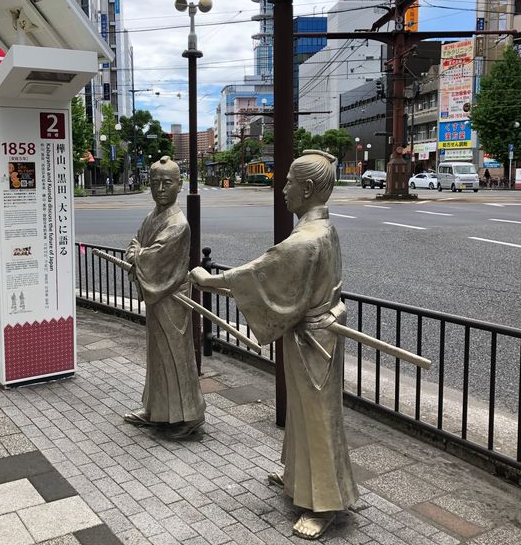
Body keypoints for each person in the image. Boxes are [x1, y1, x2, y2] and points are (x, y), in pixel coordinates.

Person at [190, 150, 358, 540]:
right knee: (303, 414)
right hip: (315, 335)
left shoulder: (306, 239)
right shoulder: (323, 229)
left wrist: (209, 279)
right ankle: (298, 479)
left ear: (309, 188)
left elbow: (258, 272)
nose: (281, 189)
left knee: (318, 419)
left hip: (315, 339)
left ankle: (324, 505)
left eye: (288, 183)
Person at [124, 156, 206, 439]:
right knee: (157, 356)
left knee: (175, 356)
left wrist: (138, 256)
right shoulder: (153, 216)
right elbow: (137, 242)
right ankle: (156, 410)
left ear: (179, 185)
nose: (160, 188)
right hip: (159, 297)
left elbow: (152, 256)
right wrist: (138, 253)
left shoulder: (178, 224)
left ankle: (190, 415)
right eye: (155, 182)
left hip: (172, 298)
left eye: (167, 183)